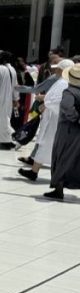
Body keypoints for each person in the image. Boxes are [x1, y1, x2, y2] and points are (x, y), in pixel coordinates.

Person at [19, 60, 75, 182]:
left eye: (58, 69)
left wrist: (46, 104)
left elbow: (59, 101)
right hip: (53, 119)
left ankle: (56, 178)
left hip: (56, 120)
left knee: (51, 147)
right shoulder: (62, 82)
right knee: (46, 146)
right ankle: (34, 172)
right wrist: (45, 100)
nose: (56, 71)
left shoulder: (63, 83)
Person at [45, 66, 80, 200]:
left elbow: (67, 107)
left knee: (61, 157)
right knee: (75, 159)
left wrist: (76, 119)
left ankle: (58, 189)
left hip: (68, 130)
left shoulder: (69, 92)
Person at [0, 52, 18, 148]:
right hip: (8, 99)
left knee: (0, 120)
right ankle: (5, 140)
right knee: (5, 119)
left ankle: (15, 138)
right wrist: (15, 99)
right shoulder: (12, 69)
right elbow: (15, 86)